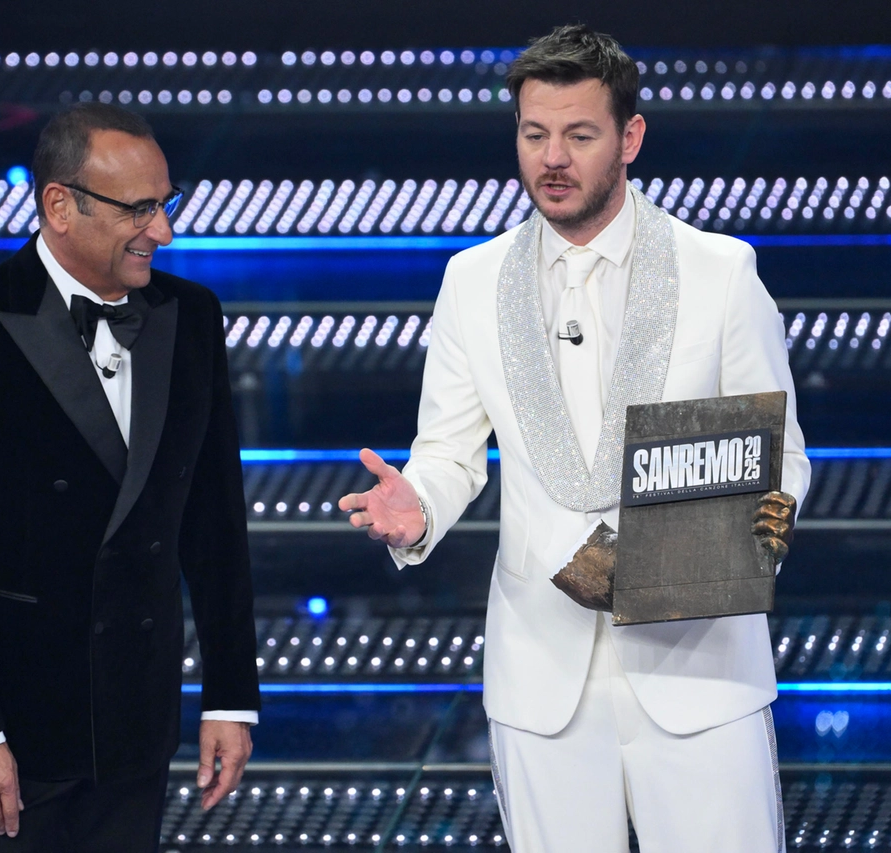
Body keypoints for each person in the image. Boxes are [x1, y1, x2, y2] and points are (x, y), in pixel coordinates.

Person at [339, 25, 808, 852]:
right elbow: (448, 452)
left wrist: (770, 516)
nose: (551, 157)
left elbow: (781, 453)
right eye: (533, 133)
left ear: (630, 138)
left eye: (579, 135)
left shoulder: (721, 271)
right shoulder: (470, 280)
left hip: (701, 666)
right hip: (543, 678)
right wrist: (417, 509)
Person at [0, 103, 260, 852]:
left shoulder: (193, 316)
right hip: (16, 737)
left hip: (138, 724)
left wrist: (231, 696)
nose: (164, 232)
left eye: (166, 204)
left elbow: (214, 520)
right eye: (140, 209)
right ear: (59, 204)